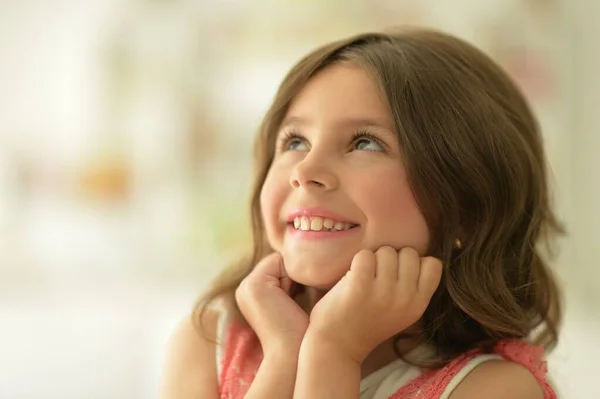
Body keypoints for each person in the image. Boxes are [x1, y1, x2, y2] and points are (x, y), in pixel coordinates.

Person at [159, 27, 564, 399]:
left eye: (365, 143)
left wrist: (332, 352)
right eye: (295, 140)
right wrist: (284, 355)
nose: (305, 172)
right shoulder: (208, 343)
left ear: (467, 207)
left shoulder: (492, 388)